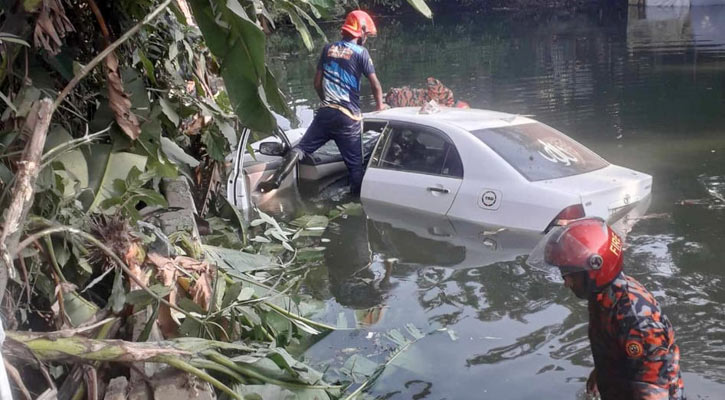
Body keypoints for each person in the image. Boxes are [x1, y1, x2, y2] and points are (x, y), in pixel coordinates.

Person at [528, 218, 685, 400]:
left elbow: (653, 390)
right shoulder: (602, 295)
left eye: (570, 274)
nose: (566, 282)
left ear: (595, 270)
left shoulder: (638, 322)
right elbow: (614, 345)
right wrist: (602, 370)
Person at [257, 10, 385, 196]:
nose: (366, 38)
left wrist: (327, 102)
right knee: (355, 166)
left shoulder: (328, 49)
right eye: (366, 35)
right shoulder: (361, 52)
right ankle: (354, 203)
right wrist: (380, 108)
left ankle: (276, 179)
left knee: (300, 149)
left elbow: (317, 83)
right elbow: (375, 85)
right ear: (361, 33)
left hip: (325, 113)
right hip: (348, 118)